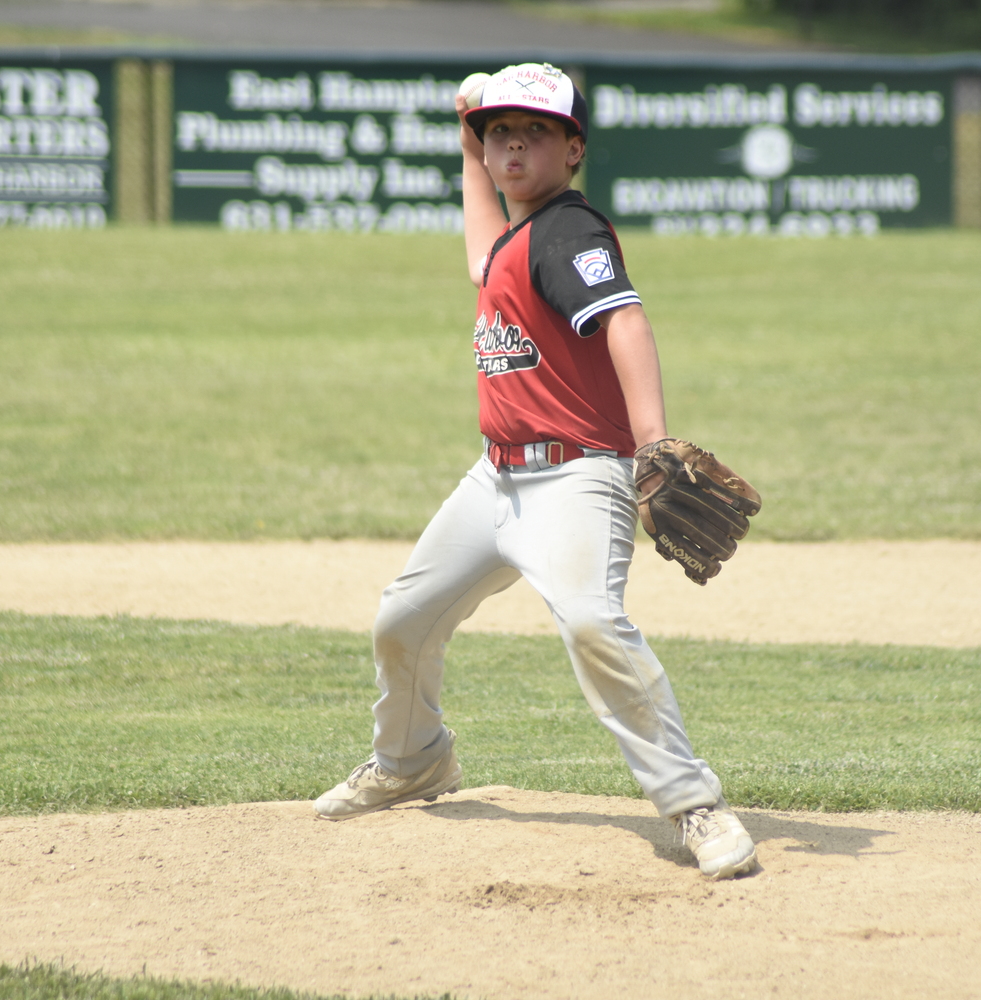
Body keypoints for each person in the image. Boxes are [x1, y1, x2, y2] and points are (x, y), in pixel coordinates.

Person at [313, 62, 757, 879]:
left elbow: (624, 317)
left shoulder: (566, 232)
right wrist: (464, 138)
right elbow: (483, 254)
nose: (513, 144)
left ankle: (695, 804)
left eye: (536, 131)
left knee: (592, 624)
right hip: (494, 481)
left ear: (573, 147)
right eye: (500, 133)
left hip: (578, 479)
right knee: (402, 623)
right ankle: (413, 760)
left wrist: (653, 441)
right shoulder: (519, 235)